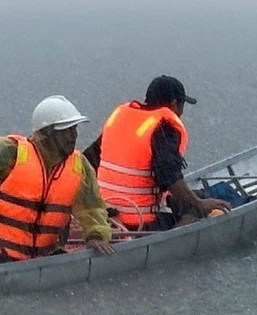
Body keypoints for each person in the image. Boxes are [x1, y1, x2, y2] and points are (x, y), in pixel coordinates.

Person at [0, 95, 117, 263]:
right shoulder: (10, 152)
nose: (73, 136)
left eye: (74, 129)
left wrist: (95, 235)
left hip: (43, 262)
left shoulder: (78, 166)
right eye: (66, 131)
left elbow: (92, 208)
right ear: (46, 134)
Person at [83, 75, 228, 230]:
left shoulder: (121, 118)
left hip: (106, 215)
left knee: (181, 198)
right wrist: (200, 204)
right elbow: (169, 177)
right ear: (173, 105)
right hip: (140, 223)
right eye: (182, 106)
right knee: (196, 209)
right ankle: (172, 245)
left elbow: (88, 160)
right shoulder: (164, 127)